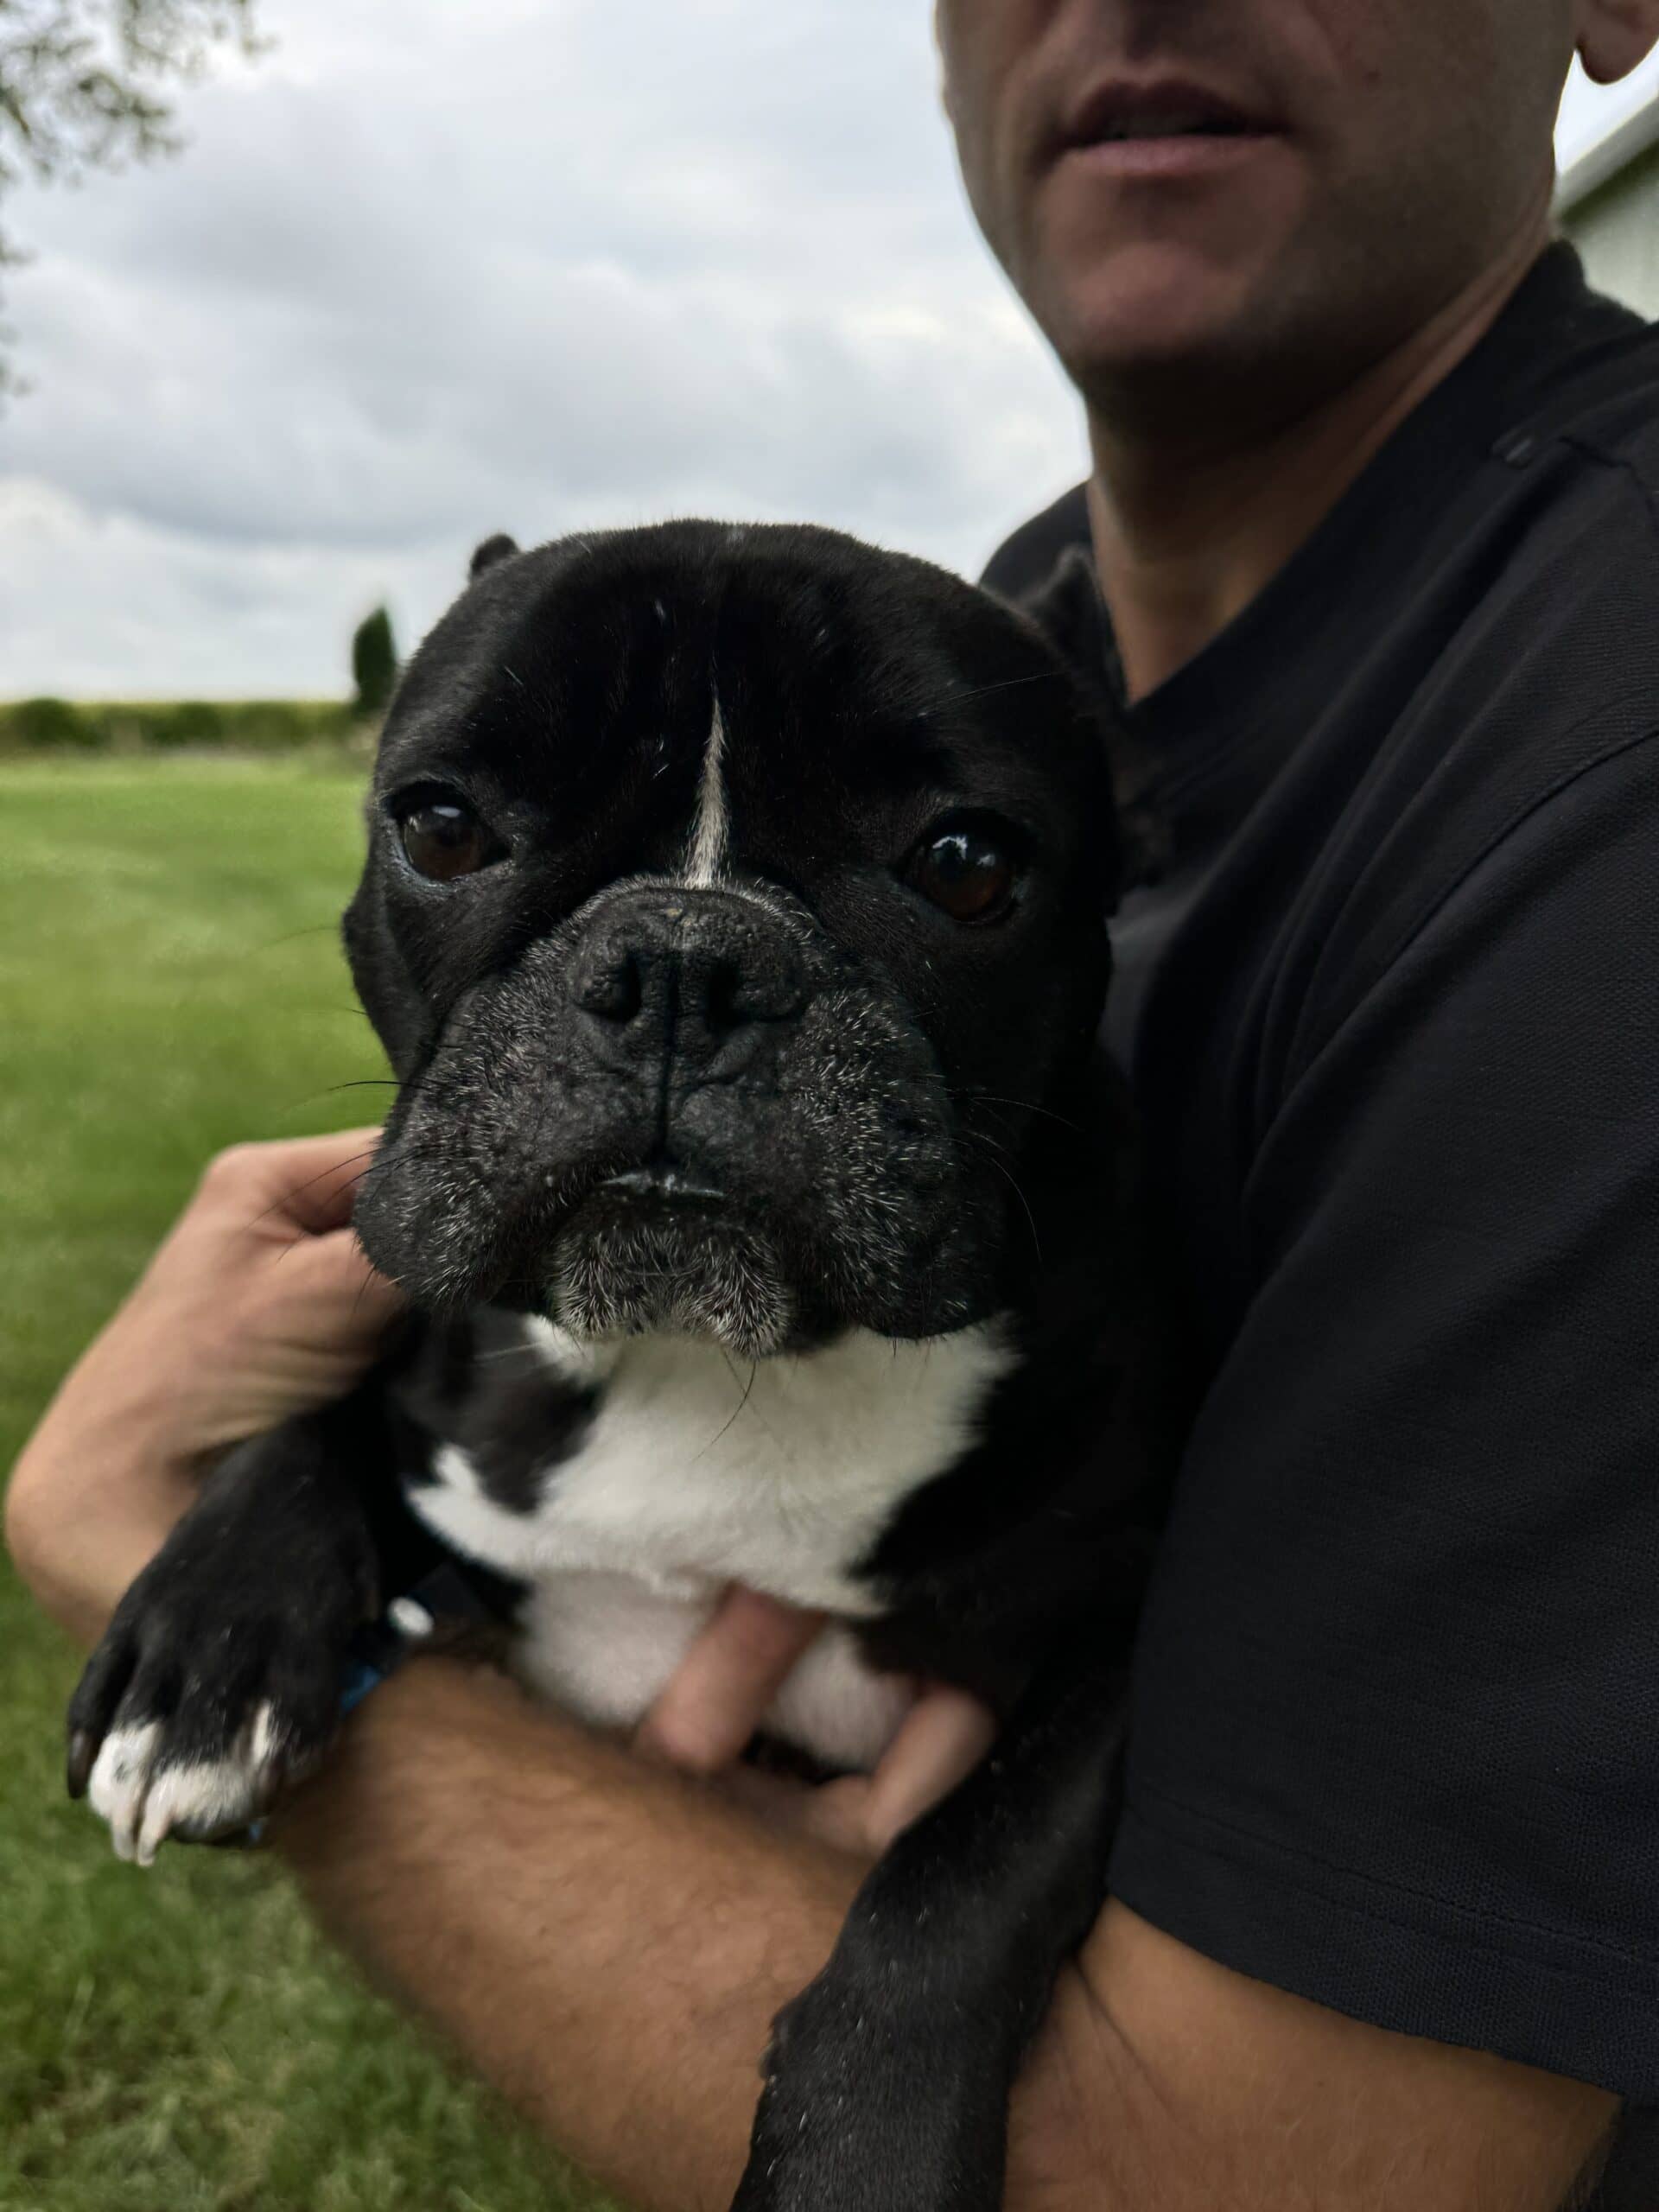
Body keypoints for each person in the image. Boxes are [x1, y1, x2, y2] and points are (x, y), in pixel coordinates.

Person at [11, 1, 1659, 2203]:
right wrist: (281, 1497)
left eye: (956, 871)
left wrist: (128, 1527)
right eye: (464, 836)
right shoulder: (1022, 615)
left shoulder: (1591, 753)